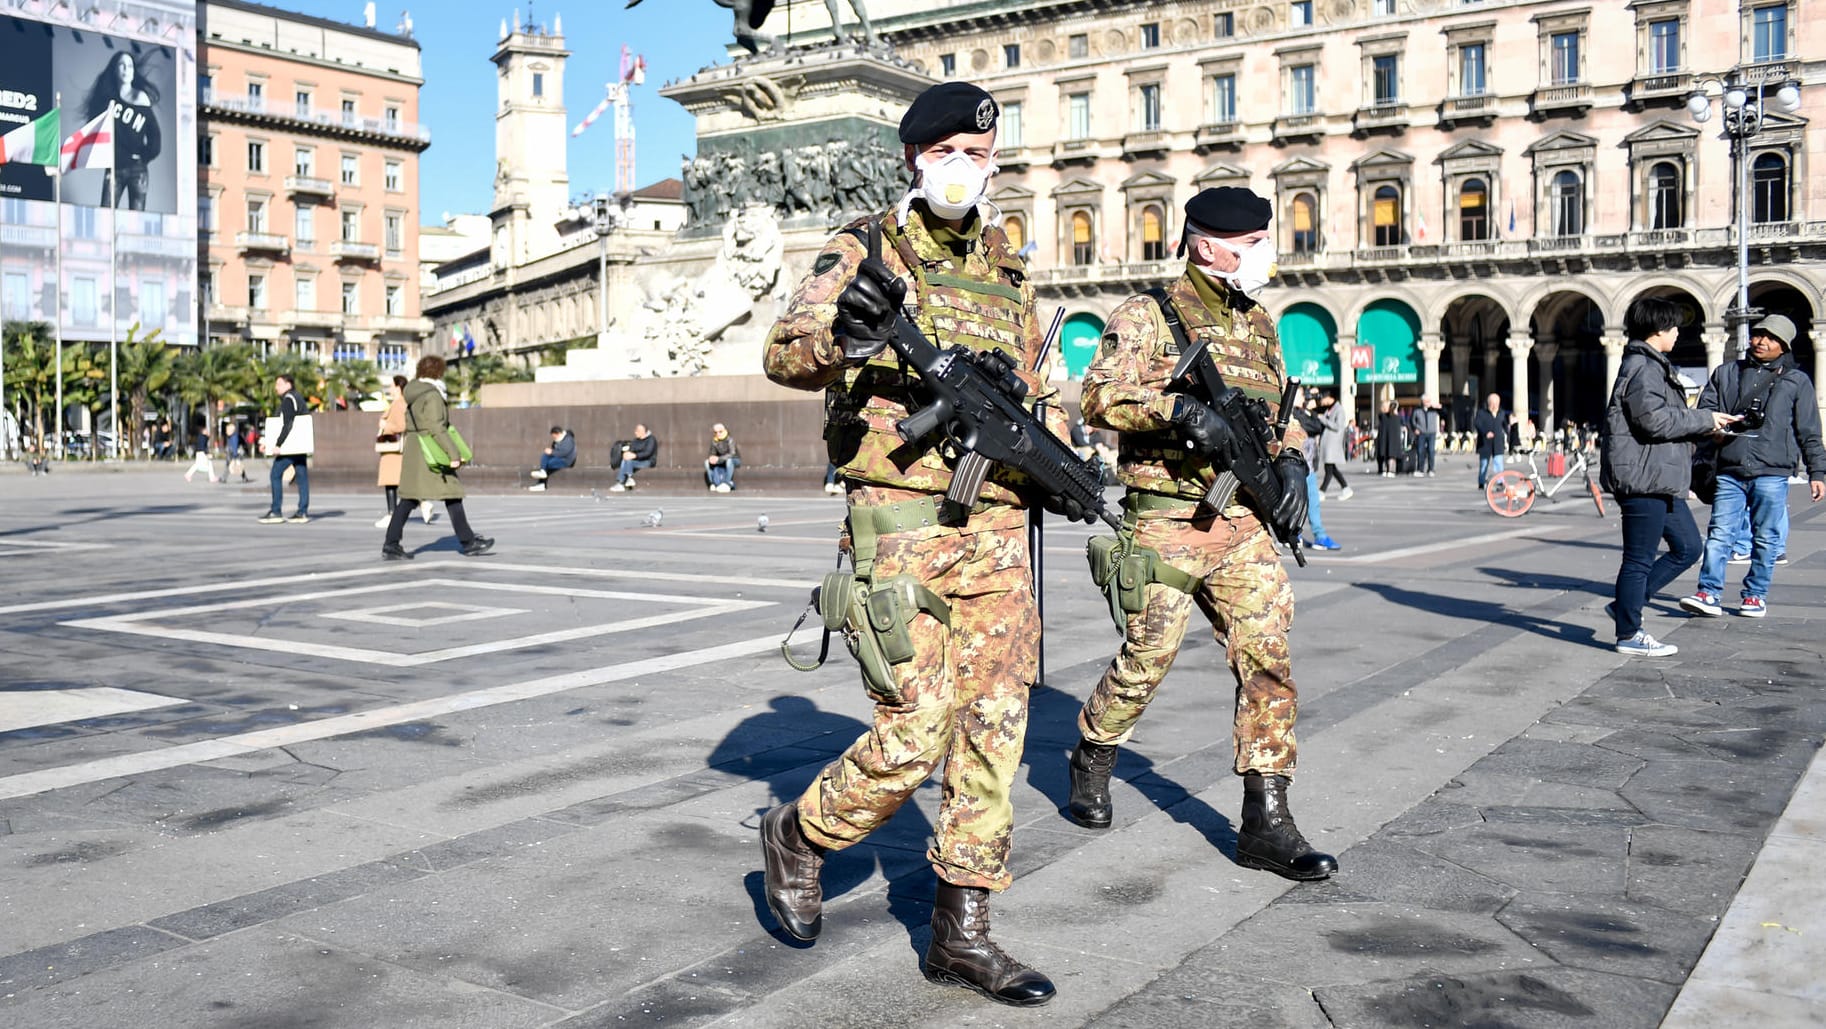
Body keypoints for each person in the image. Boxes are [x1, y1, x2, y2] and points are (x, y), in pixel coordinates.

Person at [758, 81, 1060, 1007]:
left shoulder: (1010, 268)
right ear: (915, 160)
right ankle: (801, 834)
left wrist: (1051, 444)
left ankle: (962, 929)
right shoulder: (868, 245)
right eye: (949, 155)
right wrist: (841, 337)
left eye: (981, 155)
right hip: (902, 524)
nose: (966, 169)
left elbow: (1035, 386)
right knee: (915, 731)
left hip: (999, 526)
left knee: (996, 730)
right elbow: (785, 351)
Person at [1063, 184, 1336, 891]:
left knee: (1268, 654)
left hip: (1242, 520)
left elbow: (1281, 410)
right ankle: (1093, 748)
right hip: (1167, 516)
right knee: (1147, 657)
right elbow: (1097, 394)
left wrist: (1293, 456)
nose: (1260, 257)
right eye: (1249, 246)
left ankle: (1266, 819)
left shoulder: (1261, 324)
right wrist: (1177, 412)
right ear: (1206, 244)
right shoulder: (1149, 314)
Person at [1600, 296, 1738, 657]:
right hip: (1644, 478)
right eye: (1674, 327)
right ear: (1657, 329)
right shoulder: (1642, 367)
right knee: (1638, 558)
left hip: (1661, 477)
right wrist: (1704, 420)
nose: (1678, 333)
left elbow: (1664, 421)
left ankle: (1625, 605)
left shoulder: (1653, 365)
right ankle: (1629, 632)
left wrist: (1708, 429)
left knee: (1689, 547)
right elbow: (1654, 421)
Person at [1679, 314, 1826, 618]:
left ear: (1783, 345)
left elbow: (1809, 430)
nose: (1761, 341)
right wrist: (1713, 431)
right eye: (1759, 335)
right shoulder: (1727, 373)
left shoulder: (1796, 381)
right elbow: (1705, 411)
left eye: (1771, 338)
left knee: (1767, 536)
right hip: (1730, 468)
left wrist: (1817, 472)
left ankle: (1755, 595)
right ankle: (1708, 592)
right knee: (1720, 532)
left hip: (1772, 471)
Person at [382, 356, 494, 560]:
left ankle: (391, 545)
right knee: (451, 493)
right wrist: (453, 454)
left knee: (409, 498)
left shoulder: (413, 392)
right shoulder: (432, 395)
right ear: (438, 372)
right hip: (430, 450)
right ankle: (468, 543)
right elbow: (436, 427)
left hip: (415, 449)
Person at [84, 51, 161, 211]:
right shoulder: (107, 98)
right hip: (114, 167)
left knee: (137, 220)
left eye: (130, 66)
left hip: (138, 169)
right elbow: (94, 125)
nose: (126, 69)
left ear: (134, 71)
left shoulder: (141, 99)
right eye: (122, 65)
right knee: (105, 216)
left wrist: (145, 156)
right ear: (115, 69)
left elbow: (155, 136)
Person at [259, 374, 312, 524]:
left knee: (275, 473)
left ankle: (276, 511)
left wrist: (278, 444)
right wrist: (267, 441)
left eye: (279, 384)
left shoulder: (289, 399)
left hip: (290, 447)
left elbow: (287, 423)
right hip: (300, 446)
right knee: (302, 477)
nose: (276, 388)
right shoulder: (297, 397)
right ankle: (302, 512)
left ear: (288, 385)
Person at [1294, 390, 1340, 550]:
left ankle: (1313, 535)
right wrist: (1309, 412)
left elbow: (1317, 424)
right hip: (1299, 464)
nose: (1305, 399)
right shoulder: (1293, 413)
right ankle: (1300, 535)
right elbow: (1314, 427)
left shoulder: (1302, 412)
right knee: (1302, 501)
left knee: (1311, 501)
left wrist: (1309, 410)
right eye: (1301, 395)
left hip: (1308, 464)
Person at [374, 376, 409, 526]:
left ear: (398, 387)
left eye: (391, 385)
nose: (389, 388)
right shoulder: (400, 403)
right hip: (393, 450)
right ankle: (423, 504)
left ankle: (392, 514)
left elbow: (401, 426)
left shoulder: (398, 404)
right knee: (395, 482)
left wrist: (385, 425)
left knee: (390, 482)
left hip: (392, 450)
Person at [1316, 394, 1352, 499]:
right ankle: (1346, 488)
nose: (1323, 400)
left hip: (1333, 444)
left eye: (1324, 398)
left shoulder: (1339, 409)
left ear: (1330, 397)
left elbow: (1338, 426)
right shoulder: (1330, 409)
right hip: (1328, 443)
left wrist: (1323, 419)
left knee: (1329, 469)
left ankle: (1322, 491)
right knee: (1331, 469)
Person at [528, 425, 577, 492]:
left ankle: (542, 484)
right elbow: (554, 449)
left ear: (558, 433)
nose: (553, 438)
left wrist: (552, 452)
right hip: (559, 458)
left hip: (566, 461)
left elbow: (565, 452)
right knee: (545, 456)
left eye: (554, 436)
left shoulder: (568, 440)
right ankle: (542, 473)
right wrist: (551, 452)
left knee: (549, 464)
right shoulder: (557, 440)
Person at [1474, 392, 1507, 490]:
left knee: (1499, 463)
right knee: (1484, 464)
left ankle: (1500, 482)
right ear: (1488, 403)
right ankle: (1481, 481)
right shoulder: (1481, 413)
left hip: (1497, 443)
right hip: (1485, 444)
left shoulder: (1501, 413)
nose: (1495, 405)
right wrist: (1485, 432)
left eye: (1496, 403)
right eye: (1493, 403)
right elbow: (1477, 424)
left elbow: (1505, 425)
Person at [608, 425, 657, 491]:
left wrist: (635, 455)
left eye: (637, 431)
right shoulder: (635, 440)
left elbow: (647, 453)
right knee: (626, 460)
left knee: (628, 461)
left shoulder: (651, 440)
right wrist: (627, 454)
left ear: (643, 432)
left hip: (648, 461)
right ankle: (627, 479)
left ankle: (623, 482)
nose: (635, 432)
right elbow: (631, 449)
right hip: (636, 461)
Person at [704, 423, 741, 492]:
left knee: (729, 461)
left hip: (734, 460)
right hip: (721, 460)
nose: (718, 434)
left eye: (720, 431)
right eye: (716, 432)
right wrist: (712, 458)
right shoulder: (714, 441)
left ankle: (726, 483)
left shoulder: (730, 440)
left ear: (724, 430)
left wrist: (719, 459)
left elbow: (732, 454)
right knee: (707, 462)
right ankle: (713, 483)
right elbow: (712, 453)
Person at [1375, 401, 1405, 477]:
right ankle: (1391, 470)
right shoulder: (1397, 417)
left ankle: (1387, 470)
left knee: (1386, 455)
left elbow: (1380, 413)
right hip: (1394, 440)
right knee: (1392, 456)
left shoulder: (1383, 417)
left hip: (1385, 439)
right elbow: (1403, 424)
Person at [1414, 396, 1441, 477]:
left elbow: (1444, 413)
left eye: (1428, 401)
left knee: (1431, 451)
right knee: (1420, 451)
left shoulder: (1434, 410)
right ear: (1422, 402)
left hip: (1431, 432)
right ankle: (1420, 469)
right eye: (1425, 401)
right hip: (1421, 432)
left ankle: (1431, 469)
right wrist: (1415, 428)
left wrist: (1440, 407)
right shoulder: (1417, 410)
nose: (1427, 403)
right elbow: (1412, 420)